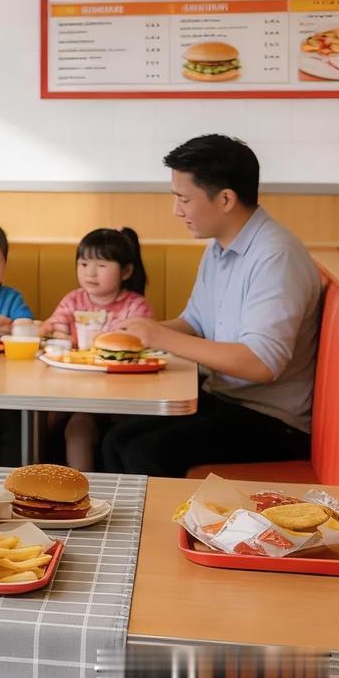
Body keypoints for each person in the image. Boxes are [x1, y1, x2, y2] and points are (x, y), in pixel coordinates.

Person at [103, 135, 321, 477]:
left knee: (144, 452)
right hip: (224, 400)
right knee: (115, 439)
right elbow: (195, 321)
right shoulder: (220, 248)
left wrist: (160, 337)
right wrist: (133, 333)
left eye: (184, 199)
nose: (177, 210)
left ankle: (164, 531)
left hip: (274, 421)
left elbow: (262, 362)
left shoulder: (275, 257)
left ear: (225, 199)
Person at [40, 227, 153, 471]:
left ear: (126, 271)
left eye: (101, 265)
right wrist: (53, 330)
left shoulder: (135, 306)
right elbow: (53, 329)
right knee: (54, 422)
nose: (90, 272)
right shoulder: (74, 300)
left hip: (120, 395)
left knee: (85, 427)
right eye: (83, 264)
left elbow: (138, 347)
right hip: (74, 390)